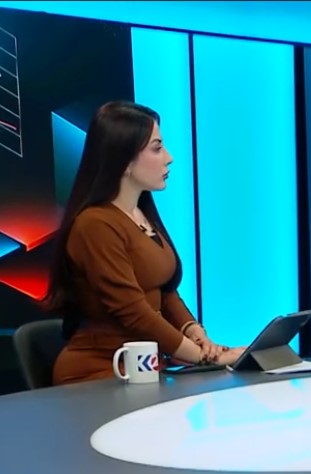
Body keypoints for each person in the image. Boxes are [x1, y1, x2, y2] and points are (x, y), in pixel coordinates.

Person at [44, 101, 245, 385]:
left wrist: (194, 332)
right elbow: (133, 311)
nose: (169, 158)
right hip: (101, 373)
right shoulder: (95, 225)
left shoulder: (141, 214)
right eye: (157, 148)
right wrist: (205, 358)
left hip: (146, 368)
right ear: (125, 161)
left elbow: (164, 290)